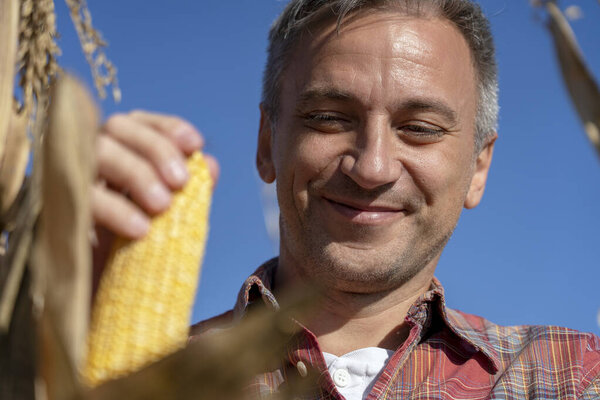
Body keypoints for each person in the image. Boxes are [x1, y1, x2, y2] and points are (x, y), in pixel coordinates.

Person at [92, 0, 600, 398]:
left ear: (478, 167)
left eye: (419, 129)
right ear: (267, 144)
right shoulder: (138, 383)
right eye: (329, 118)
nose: (372, 167)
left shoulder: (571, 378)